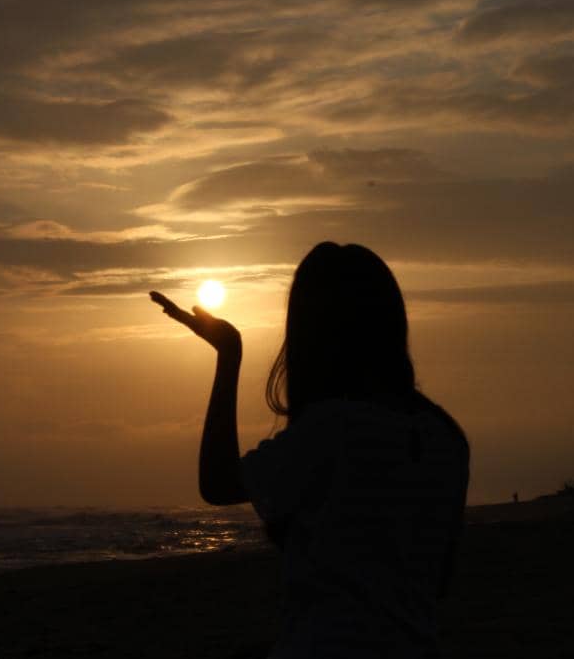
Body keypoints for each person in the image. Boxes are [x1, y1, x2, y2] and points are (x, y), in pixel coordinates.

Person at [150, 241, 470, 658]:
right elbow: (439, 577)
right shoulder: (444, 435)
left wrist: (229, 356)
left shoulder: (334, 429)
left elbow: (217, 482)